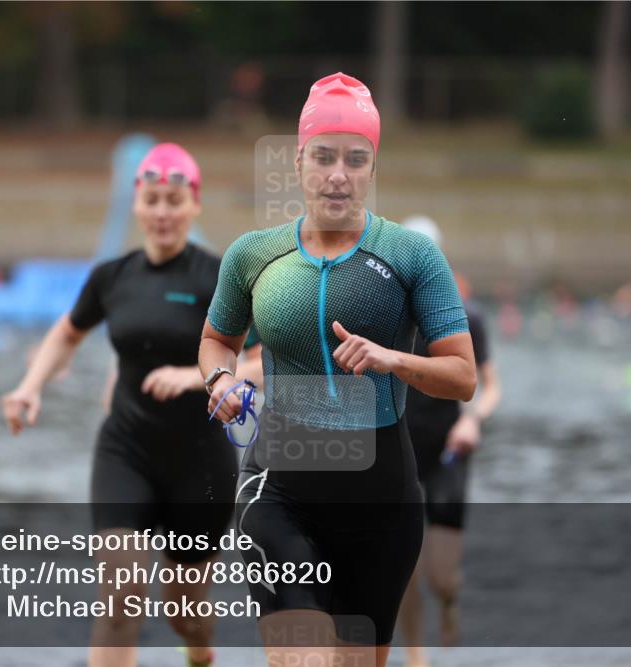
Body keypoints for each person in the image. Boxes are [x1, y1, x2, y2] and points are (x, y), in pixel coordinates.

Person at [198, 73, 476, 667]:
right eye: (324, 157)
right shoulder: (253, 255)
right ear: (299, 162)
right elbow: (217, 341)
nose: (338, 175)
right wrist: (220, 380)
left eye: (355, 159)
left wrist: (392, 359)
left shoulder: (412, 256)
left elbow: (463, 376)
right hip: (278, 490)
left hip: (382, 503)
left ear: (373, 168)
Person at [1, 143, 260, 667]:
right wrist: (30, 385)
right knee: (120, 596)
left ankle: (199, 652)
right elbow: (67, 334)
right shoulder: (112, 277)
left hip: (200, 462)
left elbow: (264, 359)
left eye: (174, 201)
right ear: (136, 204)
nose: (162, 212)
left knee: (185, 612)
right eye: (152, 200)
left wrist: (197, 376)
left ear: (194, 204)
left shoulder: (220, 278)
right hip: (127, 449)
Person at [395, 216, 502, 667]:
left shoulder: (464, 316)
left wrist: (472, 421)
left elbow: (490, 386)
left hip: (447, 452)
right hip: (398, 452)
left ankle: (449, 600)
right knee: (404, 567)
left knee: (441, 577)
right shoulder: (386, 314)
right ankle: (416, 656)